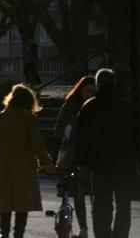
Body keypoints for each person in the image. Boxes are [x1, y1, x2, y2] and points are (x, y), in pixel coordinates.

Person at [75, 68, 140, 238]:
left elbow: (81, 138)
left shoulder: (90, 107)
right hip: (125, 164)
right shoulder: (128, 106)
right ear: (114, 83)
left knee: (101, 204)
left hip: (100, 165)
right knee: (123, 205)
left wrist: (82, 163)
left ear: (98, 84)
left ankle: (103, 234)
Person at [0, 83, 54, 238]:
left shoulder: (0, 117)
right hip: (24, 166)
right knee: (23, 203)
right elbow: (38, 144)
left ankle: (4, 233)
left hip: (3, 164)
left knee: (5, 203)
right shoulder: (30, 119)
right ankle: (18, 234)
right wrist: (47, 162)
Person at [54, 75, 96, 238]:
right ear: (81, 90)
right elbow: (58, 129)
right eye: (87, 91)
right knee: (78, 193)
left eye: (93, 91)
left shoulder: (97, 106)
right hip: (73, 153)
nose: (90, 94)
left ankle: (97, 225)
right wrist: (68, 131)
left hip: (92, 154)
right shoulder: (71, 105)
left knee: (94, 194)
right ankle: (83, 228)